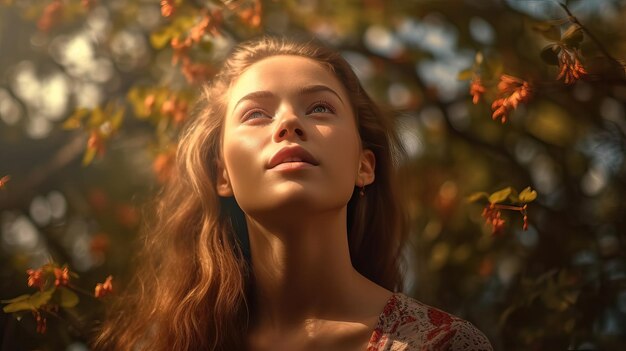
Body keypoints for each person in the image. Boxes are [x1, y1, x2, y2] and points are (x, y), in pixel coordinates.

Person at [94, 36, 493, 351]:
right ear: (223, 175)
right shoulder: (172, 344)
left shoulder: (443, 344)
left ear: (364, 166)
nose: (288, 122)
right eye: (255, 114)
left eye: (319, 108)